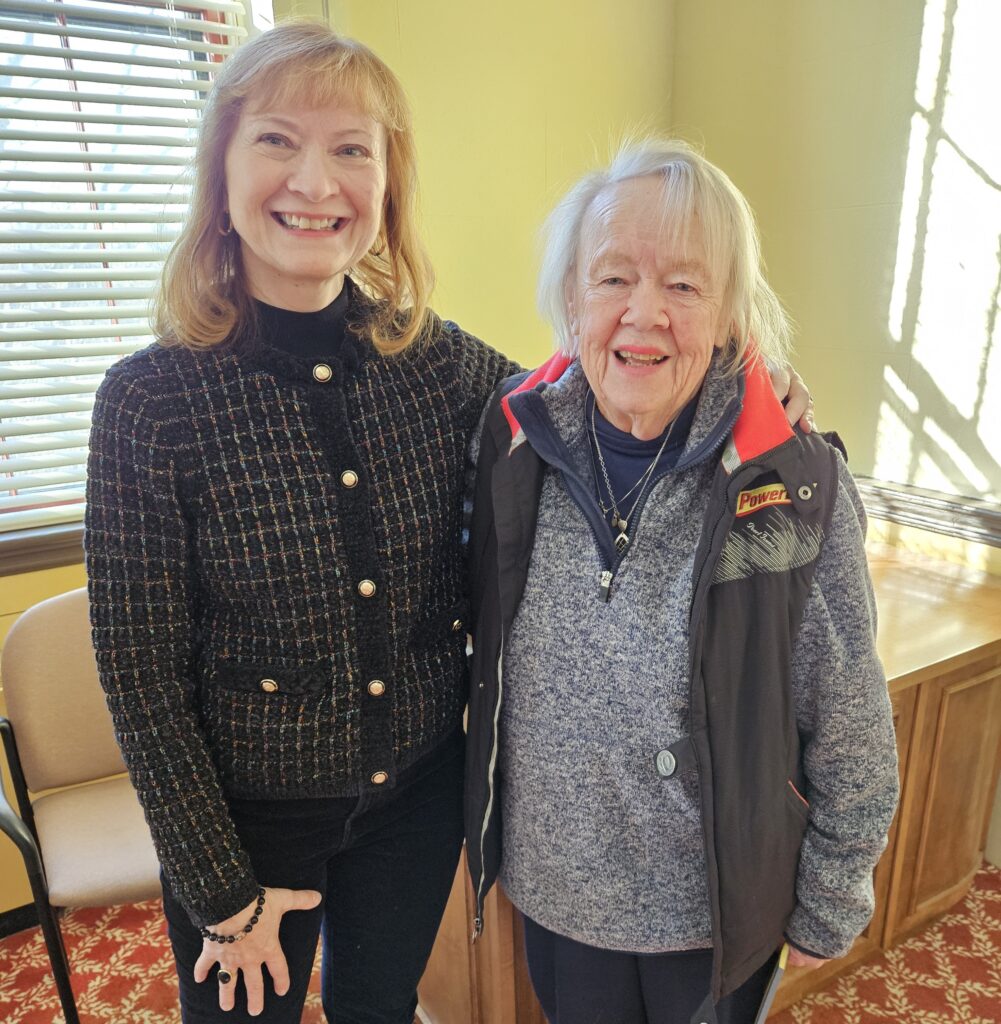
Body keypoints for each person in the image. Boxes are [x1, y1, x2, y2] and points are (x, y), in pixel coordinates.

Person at [85, 23, 812, 1024]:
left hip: (415, 807)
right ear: (221, 167)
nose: (315, 179)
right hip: (247, 823)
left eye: (352, 149)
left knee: (378, 1007)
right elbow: (139, 668)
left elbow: (597, 394)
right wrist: (219, 892)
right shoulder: (148, 399)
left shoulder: (436, 362)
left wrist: (750, 389)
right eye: (277, 141)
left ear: (386, 184)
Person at [464, 139, 899, 1024]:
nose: (643, 313)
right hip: (558, 890)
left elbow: (850, 712)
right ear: (570, 299)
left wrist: (832, 892)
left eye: (684, 285)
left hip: (711, 911)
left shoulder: (787, 482)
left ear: (729, 313)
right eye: (613, 277)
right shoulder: (510, 444)